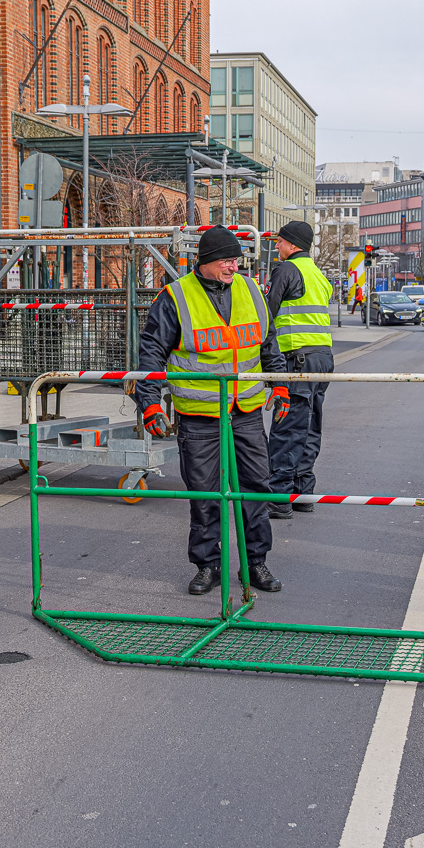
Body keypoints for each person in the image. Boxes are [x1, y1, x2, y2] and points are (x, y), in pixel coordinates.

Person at [136, 226, 289, 595]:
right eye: (225, 260)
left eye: (236, 260)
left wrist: (281, 386)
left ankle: (256, 564)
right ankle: (208, 565)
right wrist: (150, 403)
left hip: (246, 411)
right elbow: (151, 353)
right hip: (199, 415)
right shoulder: (175, 297)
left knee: (254, 489)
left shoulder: (252, 290)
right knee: (204, 494)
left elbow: (268, 343)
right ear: (204, 262)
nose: (232, 267)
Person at [265, 220, 334, 519]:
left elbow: (267, 313)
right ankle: (303, 492)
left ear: (292, 244)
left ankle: (279, 496)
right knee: (309, 426)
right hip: (322, 359)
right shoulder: (319, 275)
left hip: (297, 359)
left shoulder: (286, 270)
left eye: (280, 242)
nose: (277, 246)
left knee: (287, 426)